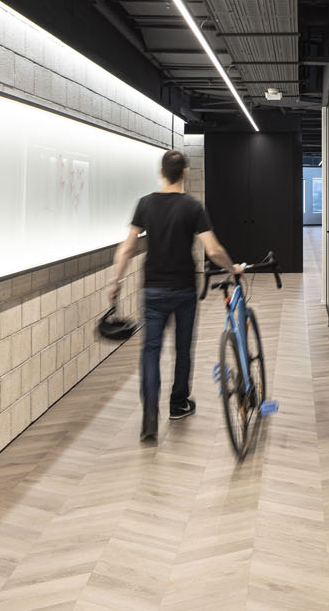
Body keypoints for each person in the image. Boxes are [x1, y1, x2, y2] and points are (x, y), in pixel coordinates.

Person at [109, 149, 242, 441]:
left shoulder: (145, 204)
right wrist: (232, 267)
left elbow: (127, 247)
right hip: (183, 289)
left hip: (153, 289)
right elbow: (213, 250)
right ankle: (178, 403)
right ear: (184, 173)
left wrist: (116, 281)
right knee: (182, 349)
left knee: (151, 350)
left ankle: (149, 416)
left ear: (161, 174)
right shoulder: (192, 207)